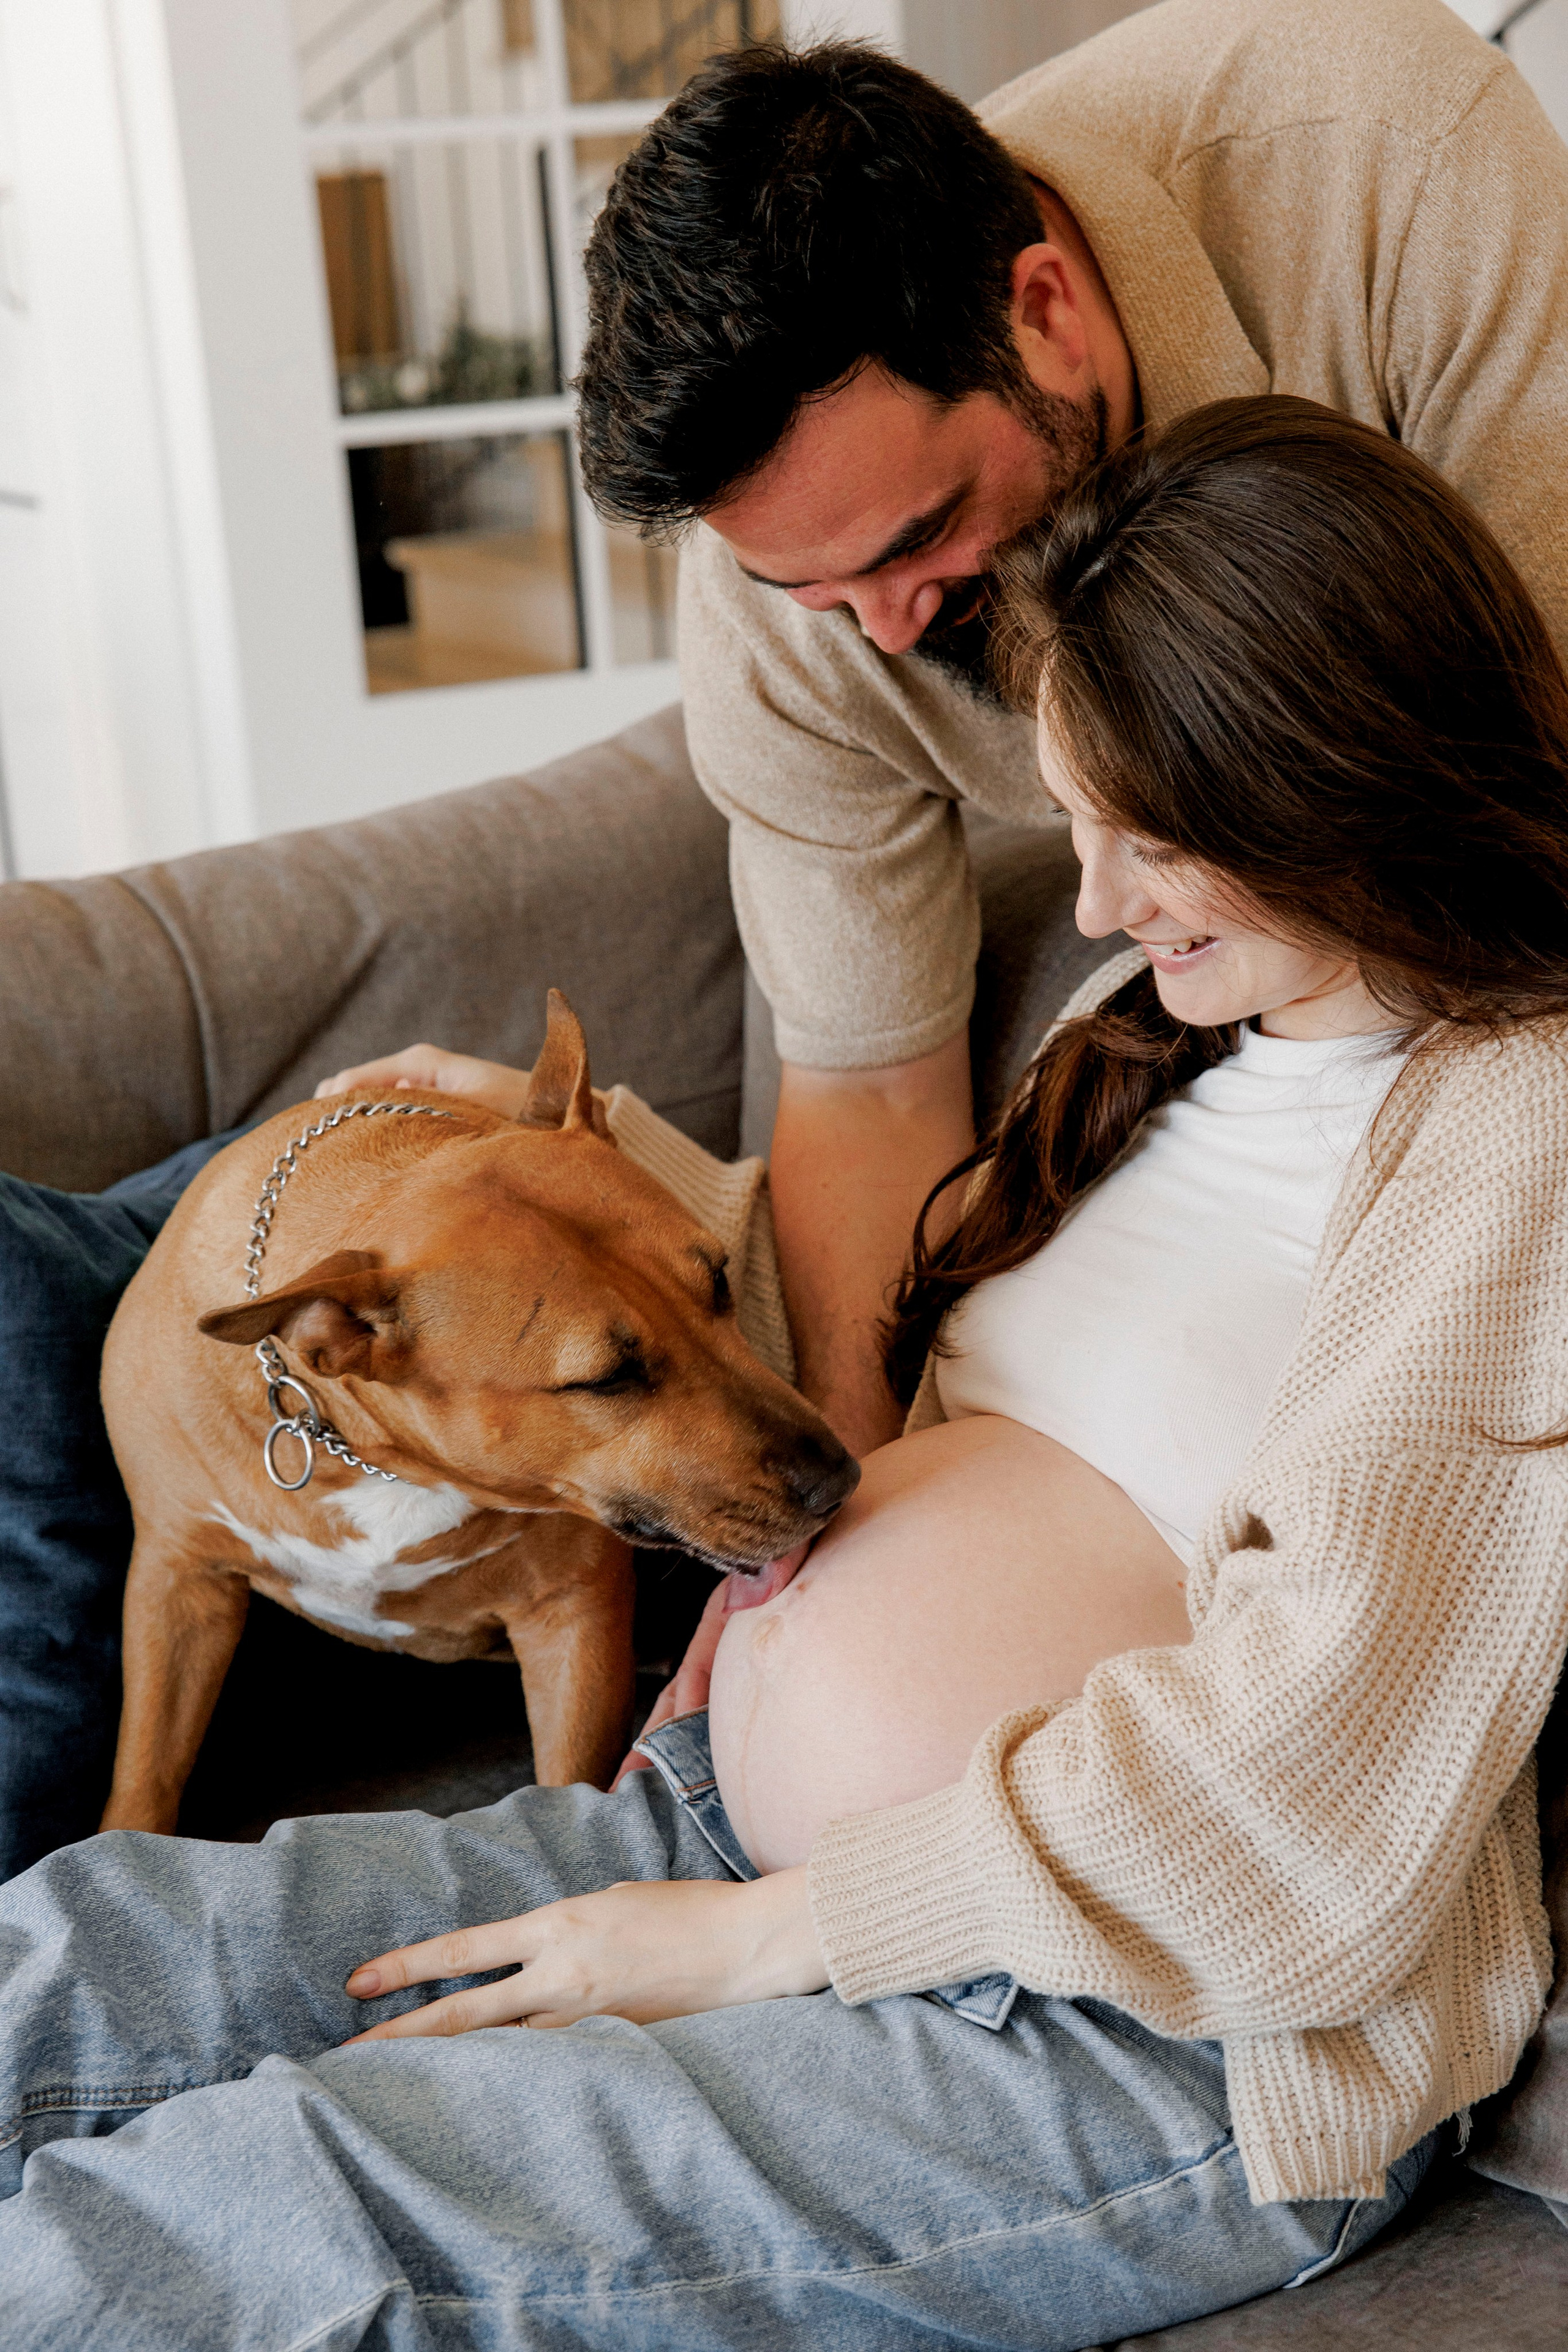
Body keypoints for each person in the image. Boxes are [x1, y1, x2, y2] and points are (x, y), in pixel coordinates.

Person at [2, 399, 1564, 2350]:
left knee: (246, 2221)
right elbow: (957, 1336)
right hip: (720, 1831)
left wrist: (755, 1938)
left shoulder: (1521, 1138)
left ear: (1333, 781)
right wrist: (583, 1176)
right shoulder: (1153, 1026)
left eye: (1148, 837)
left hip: (1127, 2024)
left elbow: (1329, 1774)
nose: (1087, 899)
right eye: (1073, 819)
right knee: (78, 1962)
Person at [575, 0, 1568, 1463]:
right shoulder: (786, 588)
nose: (887, 630)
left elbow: (1526, 782)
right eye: (811, 587)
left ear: (1042, 310)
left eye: (919, 537)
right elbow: (868, 1080)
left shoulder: (1385, 164)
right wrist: (839, 1517)